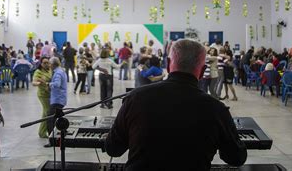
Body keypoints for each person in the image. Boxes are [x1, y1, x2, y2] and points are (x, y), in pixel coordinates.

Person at [104, 39, 247, 170]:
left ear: (168, 63)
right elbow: (236, 158)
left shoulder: (135, 98)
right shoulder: (217, 109)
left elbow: (113, 149)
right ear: (203, 71)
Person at [44, 57, 67, 147]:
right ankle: (63, 135)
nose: (49, 65)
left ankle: (52, 141)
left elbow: (57, 84)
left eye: (50, 64)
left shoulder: (57, 73)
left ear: (53, 64)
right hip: (60, 99)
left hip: (57, 100)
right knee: (59, 118)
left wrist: (48, 84)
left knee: (50, 120)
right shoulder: (61, 71)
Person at [32, 57, 52, 139]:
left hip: (50, 94)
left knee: (46, 112)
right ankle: (42, 132)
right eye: (44, 63)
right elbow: (34, 82)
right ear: (41, 64)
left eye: (47, 62)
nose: (46, 64)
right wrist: (38, 82)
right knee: (47, 112)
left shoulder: (50, 70)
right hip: (43, 95)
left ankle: (43, 131)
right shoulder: (38, 71)